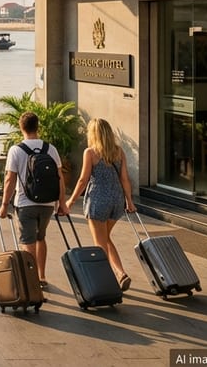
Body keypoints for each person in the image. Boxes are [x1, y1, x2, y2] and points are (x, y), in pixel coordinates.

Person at [64, 118, 137, 291]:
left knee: (100, 245)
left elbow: (83, 180)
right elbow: (125, 179)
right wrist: (129, 201)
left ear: (93, 134)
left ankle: (106, 282)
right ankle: (121, 274)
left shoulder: (90, 153)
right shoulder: (118, 152)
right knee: (106, 238)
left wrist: (71, 200)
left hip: (98, 201)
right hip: (116, 201)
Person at [0, 112, 67, 289]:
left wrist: (4, 205)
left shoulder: (16, 150)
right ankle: (42, 276)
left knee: (27, 242)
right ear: (38, 127)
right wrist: (62, 203)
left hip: (25, 203)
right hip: (47, 204)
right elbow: (60, 177)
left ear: (21, 128)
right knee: (40, 238)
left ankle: (32, 280)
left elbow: (9, 179)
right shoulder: (50, 149)